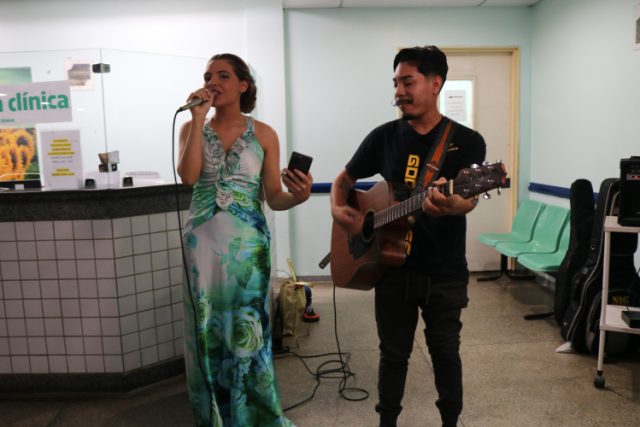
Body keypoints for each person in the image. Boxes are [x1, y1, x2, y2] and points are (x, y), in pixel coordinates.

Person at [330, 45, 486, 427]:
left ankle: (451, 421)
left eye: (408, 81)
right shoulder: (383, 137)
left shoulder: (467, 141)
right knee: (393, 354)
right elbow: (344, 180)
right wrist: (339, 209)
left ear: (435, 84)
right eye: (396, 82)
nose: (399, 90)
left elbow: (469, 201)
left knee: (446, 353)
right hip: (391, 267)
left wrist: (453, 205)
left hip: (444, 269)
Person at [177, 53, 312, 427]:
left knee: (248, 329)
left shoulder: (264, 133)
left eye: (223, 75)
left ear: (243, 84)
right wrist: (198, 118)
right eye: (207, 75)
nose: (213, 81)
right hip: (200, 247)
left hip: (248, 249)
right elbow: (188, 178)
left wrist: (298, 196)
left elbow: (274, 196)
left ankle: (253, 414)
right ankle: (214, 416)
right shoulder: (191, 128)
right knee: (206, 328)